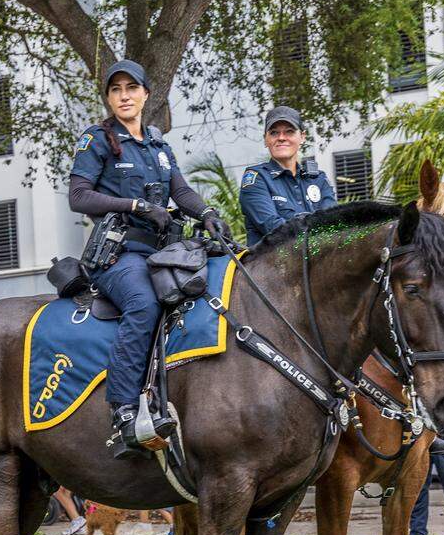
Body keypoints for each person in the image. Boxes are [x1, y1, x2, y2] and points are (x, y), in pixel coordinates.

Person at [69, 59, 231, 458]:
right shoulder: (98, 140)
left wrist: (208, 214)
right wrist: (137, 205)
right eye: (116, 90)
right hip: (117, 255)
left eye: (131, 88)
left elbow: (182, 191)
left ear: (145, 95)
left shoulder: (159, 147)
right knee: (144, 303)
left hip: (159, 254)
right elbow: (79, 195)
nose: (124, 96)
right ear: (109, 98)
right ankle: (124, 411)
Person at [239, 106, 338, 247]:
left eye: (289, 132)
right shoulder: (256, 178)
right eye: (274, 133)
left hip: (318, 263)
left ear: (302, 137)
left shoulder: (318, 179)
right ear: (265, 140)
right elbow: (273, 228)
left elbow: (332, 223)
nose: (281, 138)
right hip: (269, 264)